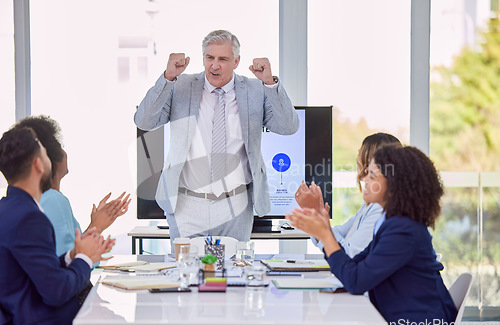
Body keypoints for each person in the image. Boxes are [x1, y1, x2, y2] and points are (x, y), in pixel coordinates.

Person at [135, 29, 299, 243]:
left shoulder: (255, 89)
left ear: (236, 61)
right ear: (203, 58)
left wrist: (270, 84)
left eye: (223, 59)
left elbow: (288, 126)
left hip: (236, 204)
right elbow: (143, 121)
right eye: (210, 57)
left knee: (235, 273)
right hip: (186, 203)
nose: (214, 65)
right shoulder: (180, 85)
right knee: (186, 273)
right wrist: (167, 78)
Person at [287, 145, 457, 325]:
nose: (364, 179)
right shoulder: (392, 223)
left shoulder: (403, 231)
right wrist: (323, 228)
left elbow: (356, 281)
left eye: (372, 176)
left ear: (395, 186)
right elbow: (353, 266)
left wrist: (325, 234)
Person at [0, 126, 115, 325]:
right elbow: (56, 291)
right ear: (38, 165)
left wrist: (73, 256)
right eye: (45, 153)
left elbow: (39, 271)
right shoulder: (30, 218)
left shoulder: (8, 208)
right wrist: (85, 259)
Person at [14, 115, 131, 256]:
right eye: (60, 146)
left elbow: (68, 255)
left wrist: (95, 226)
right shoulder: (54, 200)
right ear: (51, 158)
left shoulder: (31, 201)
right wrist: (97, 226)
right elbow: (68, 265)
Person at [295, 133, 401, 257]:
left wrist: (317, 217)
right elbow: (340, 233)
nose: (357, 158)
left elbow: (349, 254)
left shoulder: (381, 208)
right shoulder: (372, 204)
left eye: (360, 152)